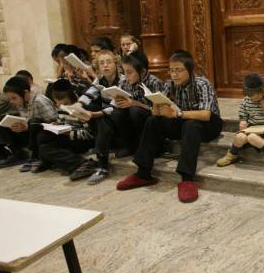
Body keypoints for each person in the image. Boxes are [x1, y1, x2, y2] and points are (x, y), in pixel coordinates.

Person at [116, 50, 223, 203]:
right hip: (183, 122)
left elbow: (206, 114)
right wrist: (156, 110)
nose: (174, 75)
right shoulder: (169, 84)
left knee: (191, 124)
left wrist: (176, 114)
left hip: (209, 124)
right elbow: (160, 109)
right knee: (153, 121)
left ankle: (187, 178)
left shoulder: (202, 83)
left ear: (190, 70)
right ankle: (143, 173)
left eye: (178, 70)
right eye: (171, 70)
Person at [70, 51, 163, 185]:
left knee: (133, 111)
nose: (105, 66)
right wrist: (79, 107)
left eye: (109, 62)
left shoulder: (151, 81)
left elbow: (158, 111)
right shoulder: (123, 81)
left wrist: (135, 103)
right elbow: (109, 104)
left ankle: (139, 150)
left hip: (149, 123)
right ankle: (102, 163)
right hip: (126, 122)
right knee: (108, 115)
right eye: (101, 63)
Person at [217, 73, 264, 172]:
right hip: (251, 128)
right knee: (239, 137)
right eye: (249, 96)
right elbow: (243, 114)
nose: (251, 99)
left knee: (251, 137)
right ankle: (232, 155)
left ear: (263, 90)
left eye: (254, 97)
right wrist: (242, 121)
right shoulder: (247, 99)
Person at [35, 79, 95, 177]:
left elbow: (89, 134)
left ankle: (81, 163)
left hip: (80, 141)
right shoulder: (62, 107)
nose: (59, 105)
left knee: (45, 147)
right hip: (66, 136)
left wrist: (69, 133)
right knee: (42, 140)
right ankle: (50, 161)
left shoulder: (80, 108)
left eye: (62, 102)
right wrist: (56, 124)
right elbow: (63, 121)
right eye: (56, 102)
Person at [0, 76, 58, 169]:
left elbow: (55, 124)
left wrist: (28, 127)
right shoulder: (21, 103)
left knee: (34, 122)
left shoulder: (40, 101)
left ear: (25, 93)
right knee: (2, 121)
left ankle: (36, 157)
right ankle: (18, 154)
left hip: (46, 136)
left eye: (14, 98)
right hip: (31, 133)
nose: (12, 102)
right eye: (10, 99)